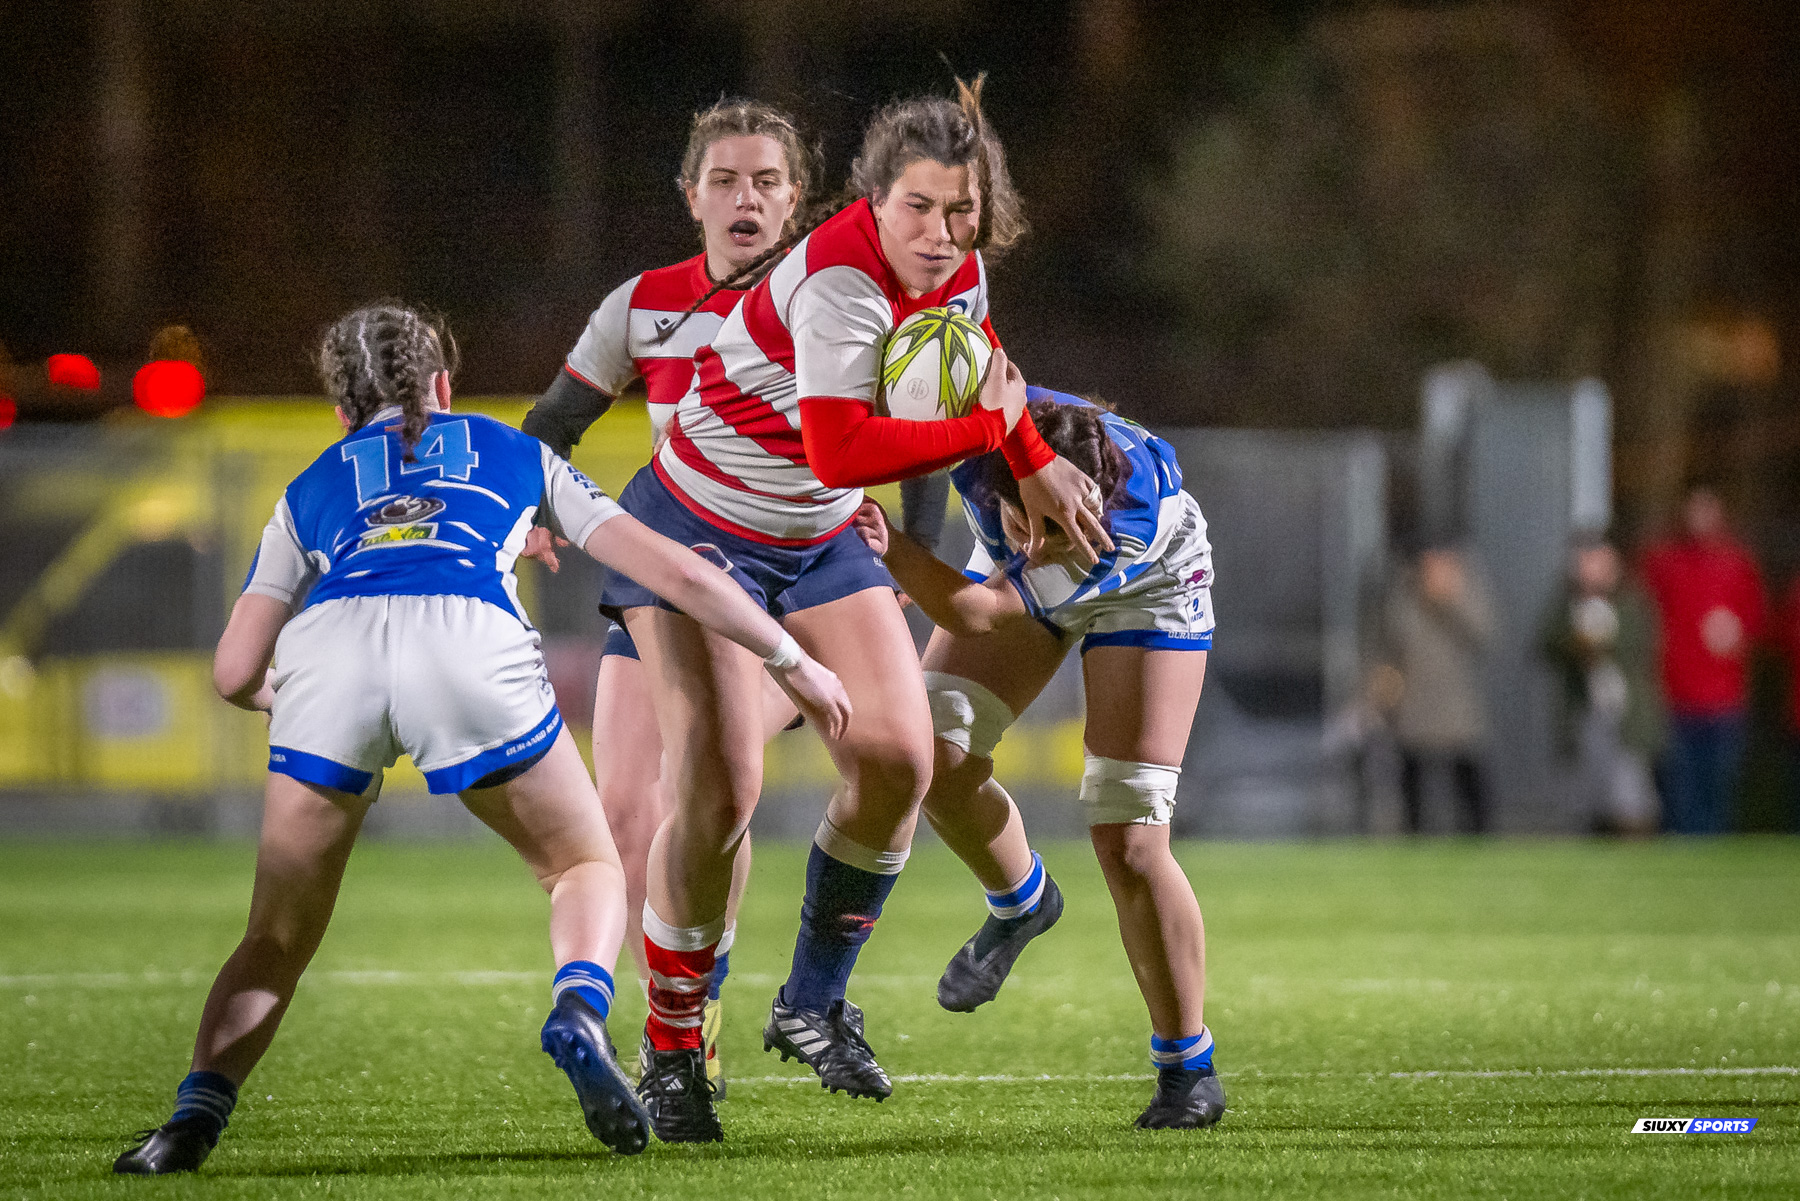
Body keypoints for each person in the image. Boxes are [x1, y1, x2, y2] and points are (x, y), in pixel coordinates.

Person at [112, 303, 850, 1175]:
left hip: (332, 649)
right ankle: (579, 1008)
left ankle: (189, 1123)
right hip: (467, 640)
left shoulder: (310, 485)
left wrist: (291, 700)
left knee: (274, 935)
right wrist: (793, 659)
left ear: (342, 411)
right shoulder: (510, 450)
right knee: (583, 866)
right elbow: (677, 570)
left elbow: (233, 670)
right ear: (443, 384)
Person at [609, 77, 1112, 1142]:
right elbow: (843, 448)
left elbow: (985, 372)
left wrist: (1033, 458)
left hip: (820, 532)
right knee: (720, 786)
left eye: (960, 210)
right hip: (701, 527)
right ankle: (672, 1043)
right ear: (873, 199)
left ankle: (811, 1002)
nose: (939, 233)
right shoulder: (840, 279)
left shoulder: (959, 269)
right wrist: (999, 438)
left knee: (897, 755)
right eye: (916, 207)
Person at [521, 99, 818, 1098]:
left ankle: (695, 1025)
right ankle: (667, 1026)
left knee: (710, 787)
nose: (746, 199)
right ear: (692, 196)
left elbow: (905, 418)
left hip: (787, 586)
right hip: (665, 581)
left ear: (795, 198)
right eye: (725, 180)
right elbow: (550, 425)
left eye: (766, 181)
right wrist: (531, 512)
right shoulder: (643, 307)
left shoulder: (833, 299)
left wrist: (904, 547)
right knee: (621, 811)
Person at [851, 389, 1225, 1130]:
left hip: (1149, 584)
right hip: (1021, 559)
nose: (1039, 546)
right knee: (932, 754)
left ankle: (1188, 1067)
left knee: (1129, 835)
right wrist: (915, 539)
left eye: (1060, 529)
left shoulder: (1114, 526)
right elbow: (916, 436)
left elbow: (978, 611)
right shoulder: (982, 424)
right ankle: (1022, 900)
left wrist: (892, 546)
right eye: (1032, 523)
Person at [1641, 486, 1766, 834]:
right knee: (1679, 790)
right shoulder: (1664, 563)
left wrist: (1738, 631)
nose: (1700, 517)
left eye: (1707, 508)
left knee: (1718, 786)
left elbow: (1758, 620)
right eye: (1695, 508)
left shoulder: (1737, 563)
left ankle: (1714, 848)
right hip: (1675, 695)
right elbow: (1643, 617)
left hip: (1725, 698)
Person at [1540, 536, 1665, 835]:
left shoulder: (1630, 600)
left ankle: (1635, 847)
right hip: (1583, 712)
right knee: (1587, 796)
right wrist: (1576, 644)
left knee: (1629, 794)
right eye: (1584, 562)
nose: (1589, 569)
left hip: (1625, 715)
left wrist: (1603, 643)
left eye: (1596, 561)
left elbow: (1643, 645)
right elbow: (1546, 644)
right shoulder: (1566, 604)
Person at [1382, 546, 1494, 833]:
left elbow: (1484, 633)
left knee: (1469, 781)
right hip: (1415, 702)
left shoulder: (1464, 585)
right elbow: (1392, 641)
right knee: (1413, 784)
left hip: (1456, 704)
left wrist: (1449, 599)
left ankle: (1479, 840)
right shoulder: (1404, 593)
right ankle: (1413, 840)